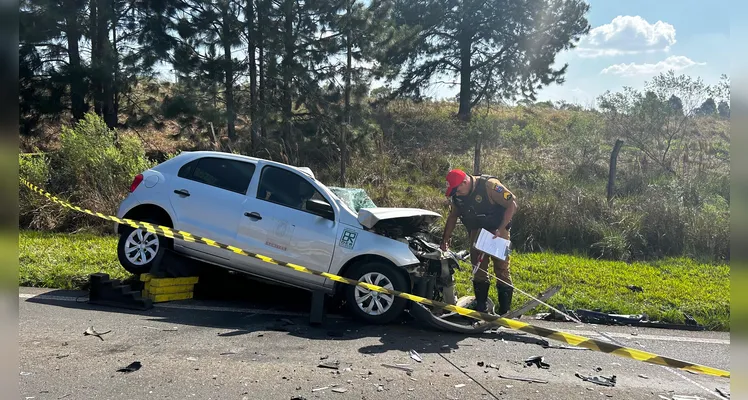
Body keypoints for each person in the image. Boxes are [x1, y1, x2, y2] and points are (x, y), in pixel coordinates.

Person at [440, 169, 518, 315]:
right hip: (477, 232)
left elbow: (512, 204)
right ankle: (481, 308)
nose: (456, 193)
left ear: (465, 182)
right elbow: (453, 216)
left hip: (498, 231)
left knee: (502, 269)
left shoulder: (490, 186)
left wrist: (501, 228)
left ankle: (505, 312)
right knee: (478, 269)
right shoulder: (458, 196)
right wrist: (445, 238)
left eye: (457, 190)